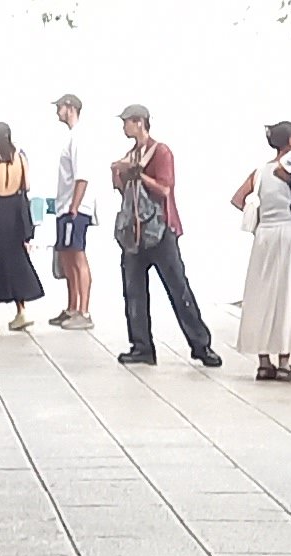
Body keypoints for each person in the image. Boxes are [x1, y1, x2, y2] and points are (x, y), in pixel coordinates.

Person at [111, 104, 218, 368]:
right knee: (133, 290)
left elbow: (165, 189)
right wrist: (120, 172)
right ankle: (141, 345)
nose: (124, 127)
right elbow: (124, 191)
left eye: (127, 122)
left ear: (139, 122)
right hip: (135, 231)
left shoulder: (160, 152)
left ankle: (201, 344)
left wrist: (139, 174)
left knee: (177, 287)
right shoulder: (132, 153)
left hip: (161, 230)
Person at [231, 122, 291, 380]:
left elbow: (237, 198)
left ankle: (263, 361)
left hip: (265, 235)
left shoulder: (260, 171)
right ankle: (284, 361)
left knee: (262, 295)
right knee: (288, 296)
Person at [0, 122, 47, 331]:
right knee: (17, 260)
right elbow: (27, 186)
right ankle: (21, 311)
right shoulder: (20, 158)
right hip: (15, 212)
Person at [48, 93, 97, 331]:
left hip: (74, 207)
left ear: (70, 108)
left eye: (59, 107)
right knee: (67, 257)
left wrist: (75, 206)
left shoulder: (79, 138)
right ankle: (71, 307)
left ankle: (84, 310)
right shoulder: (71, 138)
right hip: (66, 206)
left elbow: (82, 176)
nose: (57, 111)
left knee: (77, 256)